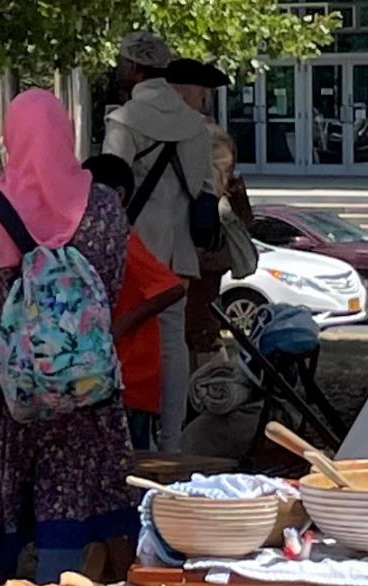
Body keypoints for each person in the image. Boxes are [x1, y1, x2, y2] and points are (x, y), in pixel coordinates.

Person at [0, 89, 134, 581]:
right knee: (67, 500)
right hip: (79, 377)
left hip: (2, 381)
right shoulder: (104, 206)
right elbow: (113, 280)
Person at [103, 53, 227, 456]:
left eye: (122, 62)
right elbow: (206, 191)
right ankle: (170, 443)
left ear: (136, 68)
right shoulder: (195, 125)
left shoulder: (123, 120)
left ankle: (125, 439)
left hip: (133, 248)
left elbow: (112, 189)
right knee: (173, 347)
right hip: (178, 250)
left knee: (122, 338)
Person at [85, 153, 188, 452]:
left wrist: (120, 327)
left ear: (117, 196)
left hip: (131, 377)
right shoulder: (99, 238)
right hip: (106, 376)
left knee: (132, 465)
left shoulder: (123, 239)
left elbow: (171, 288)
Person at [187, 122, 256, 358]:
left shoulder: (211, 193)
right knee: (202, 318)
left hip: (204, 255)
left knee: (199, 319)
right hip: (208, 255)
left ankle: (207, 369)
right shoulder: (223, 188)